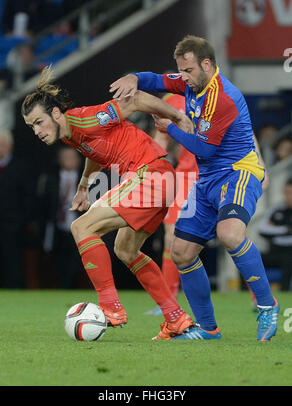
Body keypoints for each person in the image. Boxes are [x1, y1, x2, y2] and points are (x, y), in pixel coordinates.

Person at [110, 34, 279, 342]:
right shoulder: (192, 82)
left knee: (230, 234)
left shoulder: (222, 97)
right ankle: (208, 328)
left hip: (237, 172)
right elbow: (157, 79)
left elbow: (207, 150)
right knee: (181, 251)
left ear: (206, 64)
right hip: (207, 180)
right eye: (181, 71)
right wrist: (134, 78)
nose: (183, 77)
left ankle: (268, 305)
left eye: (188, 71)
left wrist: (169, 127)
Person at [21, 66, 194, 340]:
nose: (37, 131)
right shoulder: (73, 133)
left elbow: (135, 100)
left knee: (81, 228)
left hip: (149, 174)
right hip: (160, 180)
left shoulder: (85, 119)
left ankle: (111, 308)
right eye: (31, 127)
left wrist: (177, 116)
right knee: (126, 250)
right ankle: (176, 319)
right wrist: (84, 184)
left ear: (56, 114)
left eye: (39, 122)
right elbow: (93, 149)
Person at [145, 92, 198, 315]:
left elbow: (244, 131)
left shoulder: (217, 94)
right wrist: (150, 170)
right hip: (186, 176)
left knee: (233, 234)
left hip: (219, 172)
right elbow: (161, 141)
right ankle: (168, 302)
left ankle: (261, 299)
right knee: (171, 236)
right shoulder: (170, 102)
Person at [0, 129, 36, 288]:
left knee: (14, 266)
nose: (0, 148)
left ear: (10, 146)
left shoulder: (21, 167)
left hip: (13, 228)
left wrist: (22, 221)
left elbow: (29, 197)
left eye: (3, 145)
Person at [38, 146, 84, 288]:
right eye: (66, 158)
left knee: (77, 263)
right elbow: (44, 206)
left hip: (79, 227)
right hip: (58, 227)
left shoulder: (88, 180)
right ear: (59, 160)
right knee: (58, 262)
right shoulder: (50, 180)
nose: (70, 161)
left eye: (73, 157)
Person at [259, 177, 292, 291]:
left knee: (289, 260)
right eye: (287, 193)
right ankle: (248, 295)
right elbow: (262, 229)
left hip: (289, 253)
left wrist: (275, 229)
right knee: (250, 259)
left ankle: (285, 293)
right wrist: (286, 230)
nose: (289, 197)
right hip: (276, 251)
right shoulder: (276, 210)